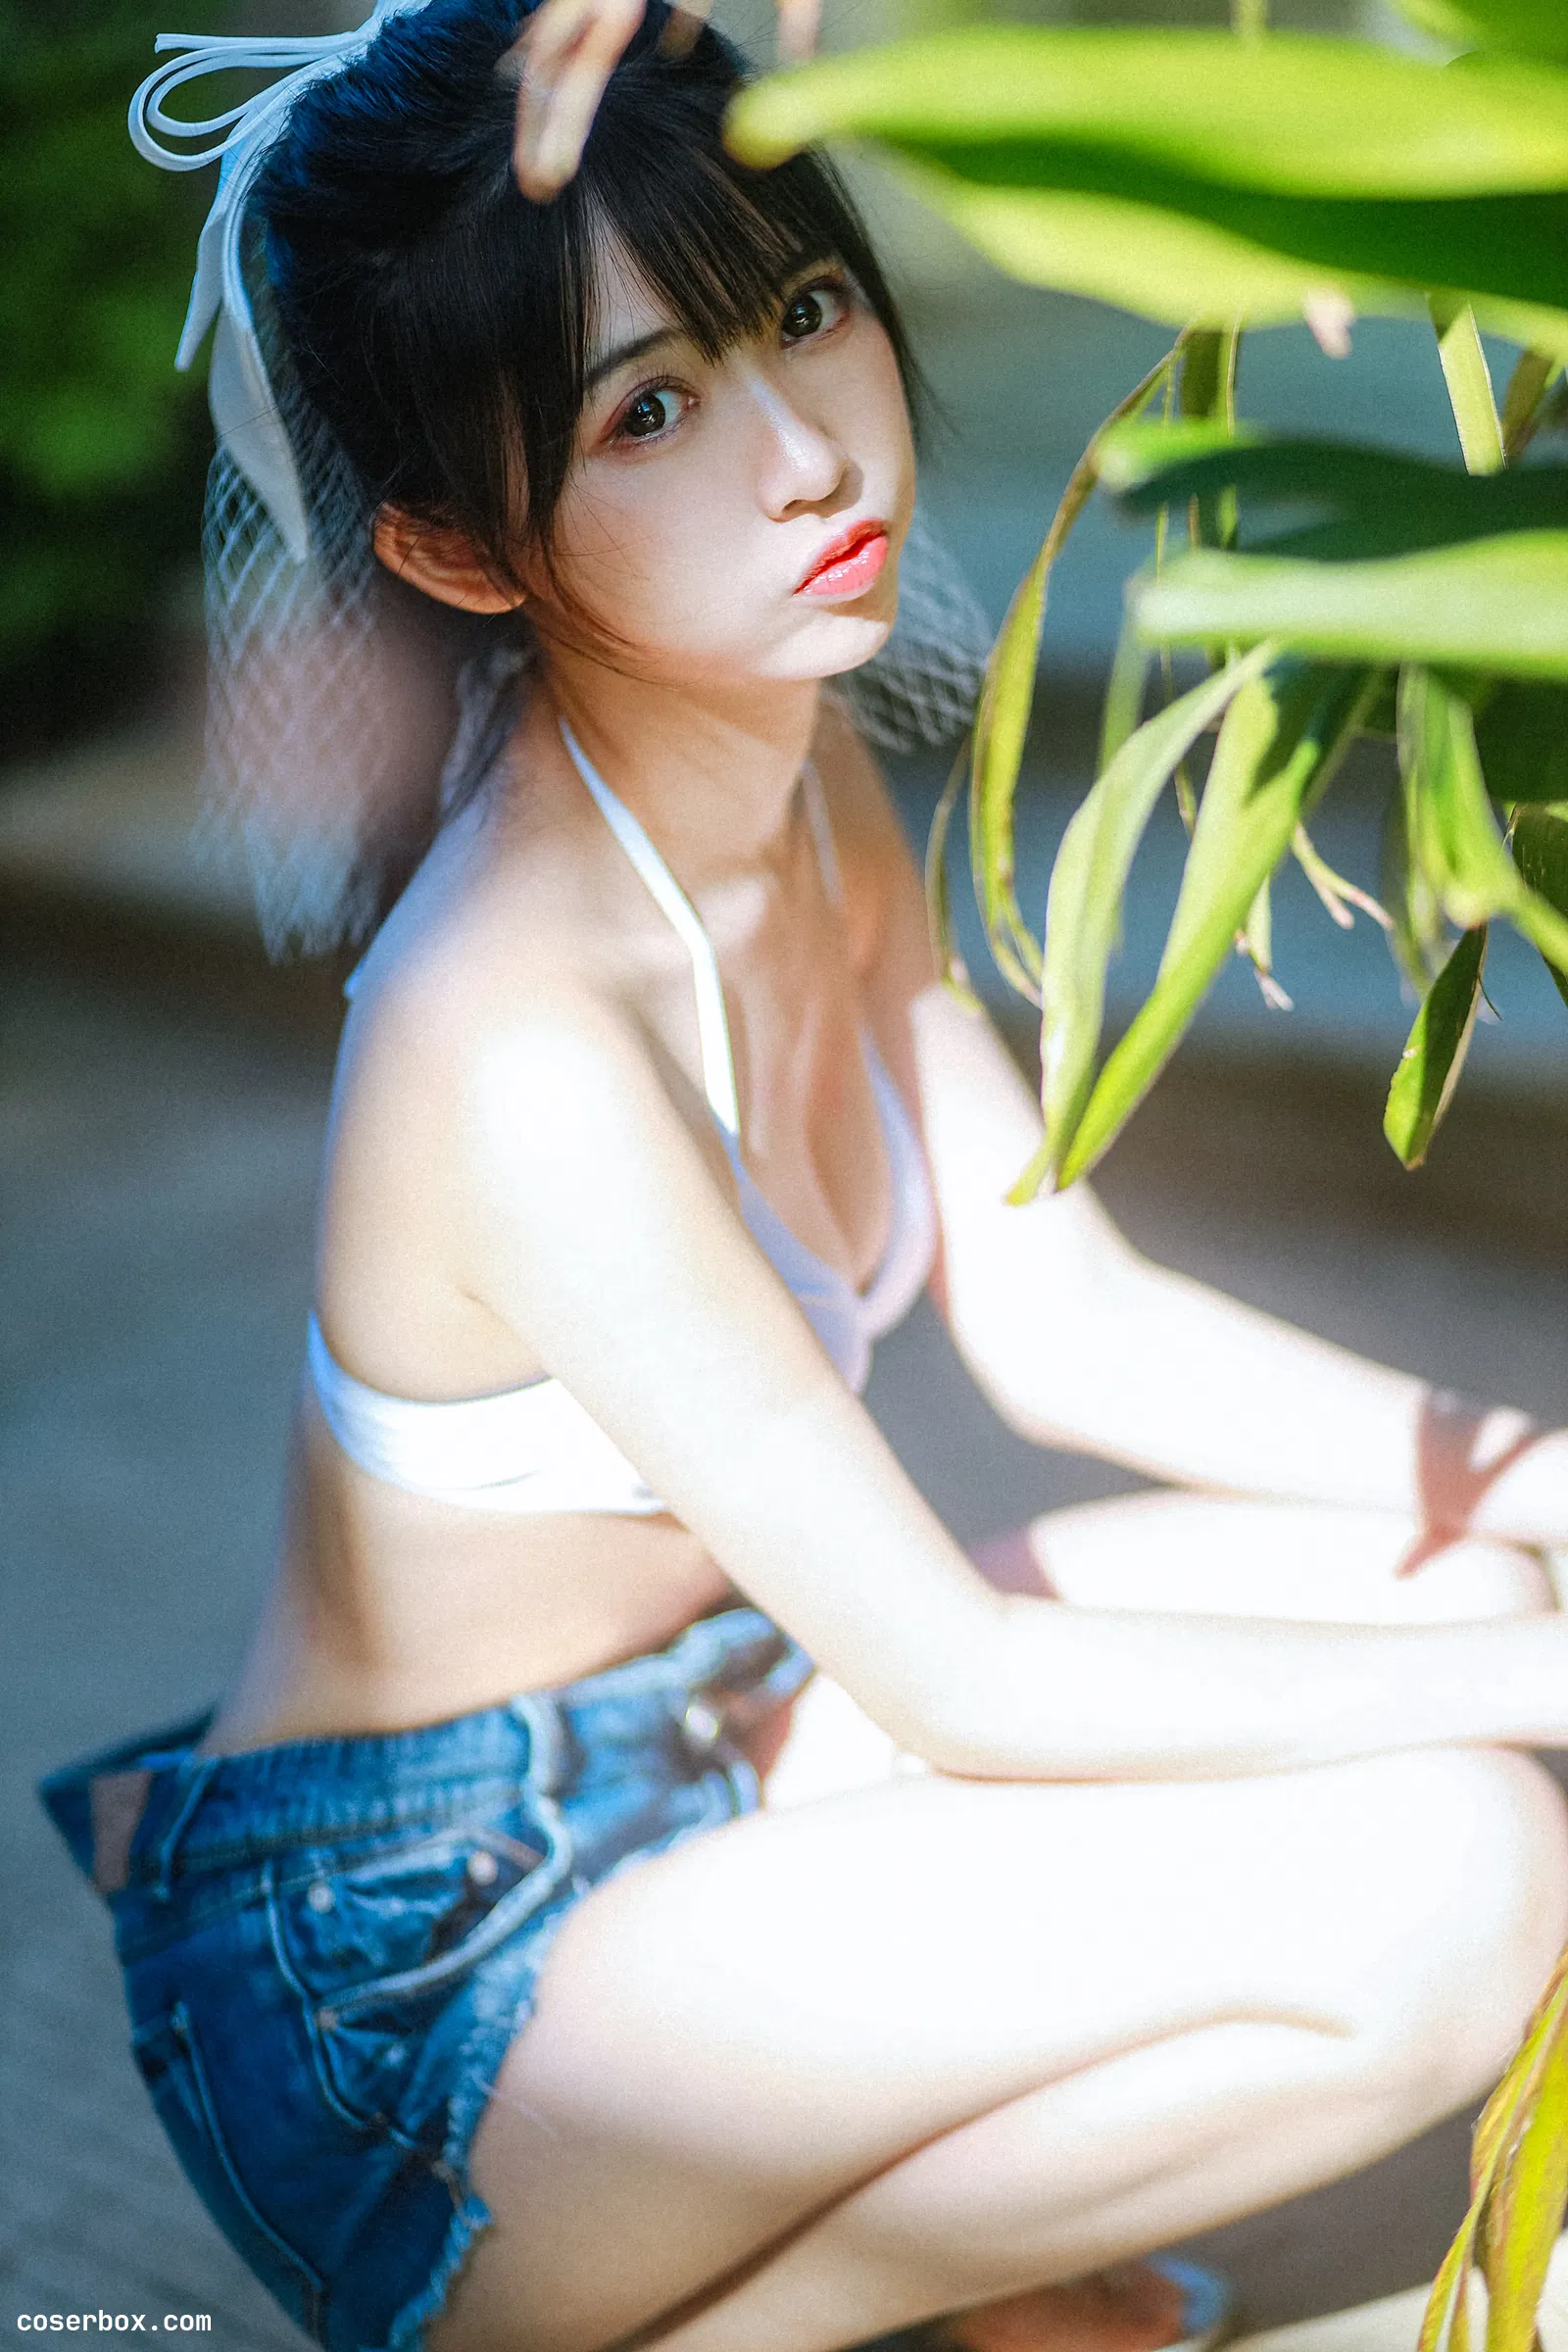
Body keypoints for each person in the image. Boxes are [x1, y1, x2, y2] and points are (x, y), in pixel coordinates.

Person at [40, 3, 1568, 2350]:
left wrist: (1543, 1499)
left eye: (804, 307)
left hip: (719, 1740)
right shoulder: (517, 1038)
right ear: (453, 542)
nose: (802, 452)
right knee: (1456, 1871)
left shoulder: (785, 769)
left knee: (1446, 1563)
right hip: (426, 1987)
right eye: (645, 412)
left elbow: (1072, 1320)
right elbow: (960, 1681)